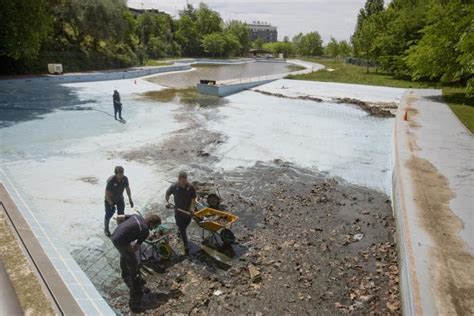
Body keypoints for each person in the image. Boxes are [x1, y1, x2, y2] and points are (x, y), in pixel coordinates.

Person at [111, 213, 161, 313]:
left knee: (125, 254)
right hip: (121, 241)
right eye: (154, 226)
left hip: (114, 235)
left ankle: (125, 273)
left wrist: (123, 233)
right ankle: (135, 297)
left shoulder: (136, 216)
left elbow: (119, 217)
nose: (153, 229)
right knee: (133, 264)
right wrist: (129, 249)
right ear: (150, 223)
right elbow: (135, 248)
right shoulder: (145, 231)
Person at [165, 171, 197, 255]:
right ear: (178, 179)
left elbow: (194, 199)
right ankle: (186, 244)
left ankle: (180, 230)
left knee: (185, 225)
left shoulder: (190, 187)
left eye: (185, 181)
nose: (183, 183)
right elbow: (167, 194)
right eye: (182, 181)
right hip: (178, 211)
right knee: (182, 227)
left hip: (188, 211)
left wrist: (192, 208)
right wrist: (167, 202)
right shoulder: (174, 186)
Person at [104, 166, 133, 237]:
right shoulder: (111, 181)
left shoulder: (125, 179)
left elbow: (127, 189)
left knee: (121, 215)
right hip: (110, 200)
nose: (121, 175)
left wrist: (130, 199)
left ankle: (121, 229)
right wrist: (111, 204)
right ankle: (106, 229)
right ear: (116, 174)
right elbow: (107, 194)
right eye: (120, 174)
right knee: (109, 214)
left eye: (122, 173)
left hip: (120, 199)